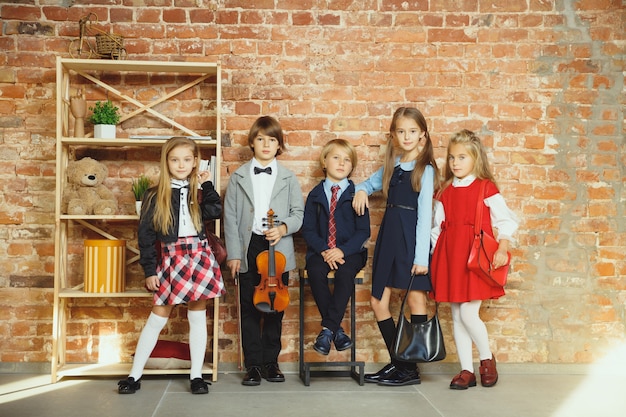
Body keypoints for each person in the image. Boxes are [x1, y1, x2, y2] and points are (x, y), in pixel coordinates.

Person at [117, 137, 225, 395]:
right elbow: (145, 237)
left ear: (195, 162)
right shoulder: (154, 195)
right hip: (171, 259)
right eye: (175, 159)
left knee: (197, 317)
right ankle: (134, 375)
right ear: (166, 161)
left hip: (199, 257)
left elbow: (215, 210)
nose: (181, 164)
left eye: (187, 160)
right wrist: (150, 271)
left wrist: (206, 182)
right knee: (157, 318)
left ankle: (197, 376)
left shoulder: (199, 193)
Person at [353, 107, 440, 386]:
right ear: (393, 135)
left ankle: (407, 369)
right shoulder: (392, 167)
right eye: (401, 131)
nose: (406, 136)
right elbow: (367, 183)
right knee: (378, 300)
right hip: (389, 236)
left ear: (422, 135)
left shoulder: (425, 170)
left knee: (416, 300)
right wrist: (363, 190)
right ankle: (401, 364)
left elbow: (425, 213)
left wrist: (420, 258)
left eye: (412, 131)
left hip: (412, 238)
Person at [430, 129, 519, 390]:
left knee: (469, 313)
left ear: (475, 159)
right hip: (450, 256)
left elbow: (505, 220)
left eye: (462, 158)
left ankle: (486, 359)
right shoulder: (444, 191)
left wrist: (502, 248)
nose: (455, 163)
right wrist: (437, 260)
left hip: (475, 257)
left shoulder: (485, 187)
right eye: (452, 158)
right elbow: (437, 228)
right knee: (457, 315)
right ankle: (466, 370)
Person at [224, 116, 304, 386]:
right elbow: (231, 218)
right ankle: (253, 366)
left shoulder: (288, 177)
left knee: (275, 308)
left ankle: (272, 363)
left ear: (279, 145)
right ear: (252, 143)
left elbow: (298, 214)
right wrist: (234, 254)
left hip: (278, 249)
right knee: (249, 307)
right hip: (249, 246)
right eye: (261, 139)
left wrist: (282, 228)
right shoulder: (238, 177)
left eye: (272, 140)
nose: (266, 144)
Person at [301, 139, 370, 355]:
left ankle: (327, 330)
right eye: (336, 157)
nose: (342, 163)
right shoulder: (315, 194)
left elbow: (363, 232)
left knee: (345, 273)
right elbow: (308, 229)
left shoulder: (356, 194)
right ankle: (336, 331)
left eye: (347, 160)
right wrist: (324, 250)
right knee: (314, 270)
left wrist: (342, 251)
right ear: (324, 161)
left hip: (350, 252)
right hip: (321, 250)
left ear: (352, 166)